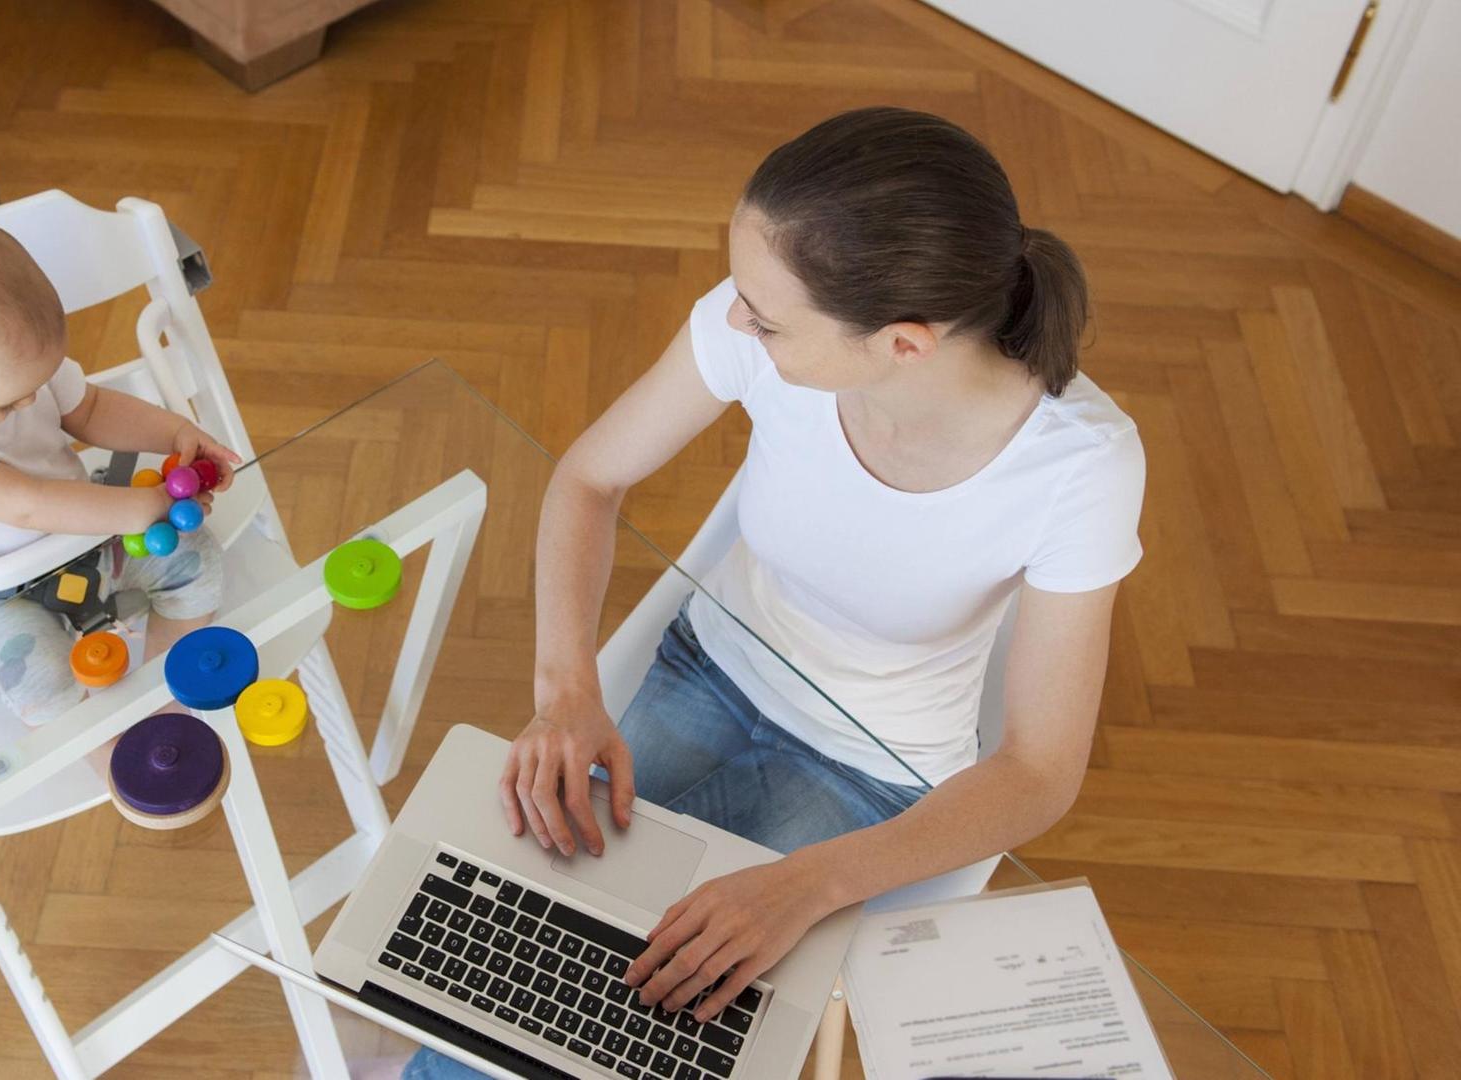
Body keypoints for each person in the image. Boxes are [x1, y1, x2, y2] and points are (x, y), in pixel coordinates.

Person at [407, 107, 1144, 1077]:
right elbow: (589, 479)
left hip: (871, 772)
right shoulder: (754, 324)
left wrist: (810, 886)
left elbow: (1041, 769)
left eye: (767, 317)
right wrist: (566, 693)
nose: (735, 320)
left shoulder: (1078, 466)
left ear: (905, 345)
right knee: (510, 969)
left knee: (647, 1026)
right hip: (707, 667)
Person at [0, 216, 235, 724]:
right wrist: (141, 508)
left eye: (38, 383)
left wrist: (173, 433)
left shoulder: (15, 366)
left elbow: (93, 410)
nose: (32, 401)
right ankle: (115, 761)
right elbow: (27, 505)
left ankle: (166, 695)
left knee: (198, 560)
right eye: (7, 402)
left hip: (92, 542)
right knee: (39, 681)